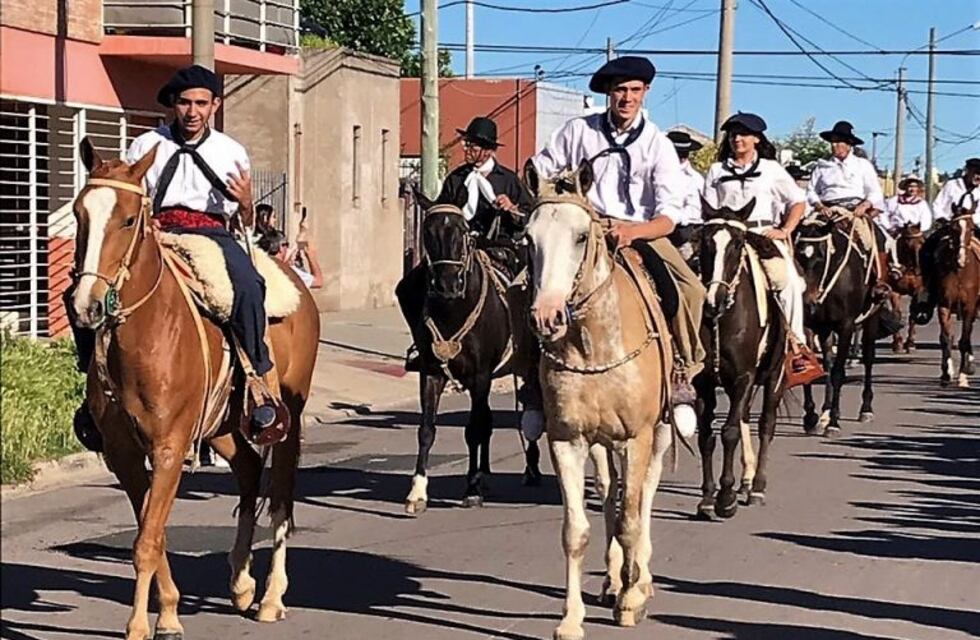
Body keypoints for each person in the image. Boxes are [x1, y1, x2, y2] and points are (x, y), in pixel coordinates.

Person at [70, 64, 287, 450]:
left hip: (211, 232)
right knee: (84, 290)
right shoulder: (145, 145)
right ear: (174, 105)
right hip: (157, 231)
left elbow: (243, 218)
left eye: (201, 103)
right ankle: (92, 388)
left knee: (249, 286)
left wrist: (248, 203)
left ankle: (258, 379)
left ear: (214, 106)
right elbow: (129, 199)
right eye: (185, 102)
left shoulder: (230, 151)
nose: (192, 111)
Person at [530, 55, 706, 418]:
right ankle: (531, 379)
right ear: (609, 93)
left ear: (646, 92)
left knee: (690, 290)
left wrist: (632, 232)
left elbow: (670, 214)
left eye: (634, 90)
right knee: (526, 283)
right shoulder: (579, 130)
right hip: (581, 225)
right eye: (620, 90)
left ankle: (681, 372)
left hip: (639, 230)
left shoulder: (658, 144)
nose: (627, 98)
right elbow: (540, 169)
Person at [395, 116, 534, 371]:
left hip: (499, 248)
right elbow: (441, 211)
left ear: (489, 150)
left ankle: (525, 345)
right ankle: (423, 344)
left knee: (524, 290)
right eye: (467, 144)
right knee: (408, 287)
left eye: (473, 145)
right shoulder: (456, 178)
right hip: (458, 251)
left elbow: (528, 217)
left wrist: (511, 208)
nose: (467, 149)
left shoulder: (509, 180)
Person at [702, 112, 822, 378]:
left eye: (743, 134)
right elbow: (707, 208)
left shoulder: (771, 169)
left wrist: (785, 229)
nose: (737, 139)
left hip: (760, 235)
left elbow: (797, 202)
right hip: (725, 237)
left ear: (756, 139)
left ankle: (796, 345)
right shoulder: (716, 170)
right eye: (733, 134)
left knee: (789, 281)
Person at [806, 120, 893, 300]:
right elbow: (811, 192)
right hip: (827, 210)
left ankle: (878, 280)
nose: (834, 145)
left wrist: (865, 205)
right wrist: (819, 206)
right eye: (832, 141)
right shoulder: (821, 166)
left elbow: (875, 191)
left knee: (875, 238)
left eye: (839, 141)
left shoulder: (862, 165)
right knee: (804, 236)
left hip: (853, 211)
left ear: (849, 144)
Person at [666, 130, 705, 254]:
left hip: (683, 231)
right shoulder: (652, 172)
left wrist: (671, 217)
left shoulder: (695, 179)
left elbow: (695, 210)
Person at [258, 228, 324, 289]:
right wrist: (311, 257)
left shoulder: (259, 265)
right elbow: (318, 282)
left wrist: (299, 265)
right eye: (287, 244)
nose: (287, 248)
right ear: (281, 247)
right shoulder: (288, 271)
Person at [932, 157, 980, 228]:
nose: (978, 177)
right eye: (976, 173)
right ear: (967, 171)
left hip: (971, 226)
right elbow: (937, 205)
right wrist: (942, 219)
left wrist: (970, 219)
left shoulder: (978, 192)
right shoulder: (952, 185)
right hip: (948, 226)